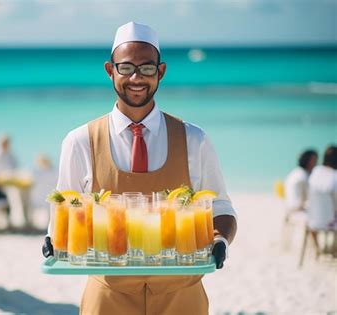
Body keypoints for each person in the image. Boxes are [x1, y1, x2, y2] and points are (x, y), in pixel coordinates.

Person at [42, 22, 237, 314]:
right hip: (108, 296)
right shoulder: (79, 141)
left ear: (161, 72)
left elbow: (221, 208)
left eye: (147, 68)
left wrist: (220, 239)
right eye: (126, 68)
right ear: (110, 70)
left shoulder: (194, 139)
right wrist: (53, 239)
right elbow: (65, 213)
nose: (136, 77)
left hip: (182, 296)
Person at [306, 145, 337, 253]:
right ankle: (334, 249)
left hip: (313, 220)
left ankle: (320, 248)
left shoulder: (315, 172)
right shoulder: (334, 176)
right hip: (331, 223)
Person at [284, 149, 318, 222]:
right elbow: (309, 197)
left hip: (289, 208)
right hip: (297, 210)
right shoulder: (303, 176)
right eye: (314, 160)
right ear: (308, 161)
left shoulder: (295, 172)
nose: (316, 163)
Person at [31, 154, 58, 227]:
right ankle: (35, 223)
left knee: (48, 209)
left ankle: (48, 224)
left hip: (47, 193)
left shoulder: (53, 170)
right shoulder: (36, 170)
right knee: (38, 209)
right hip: (40, 193)